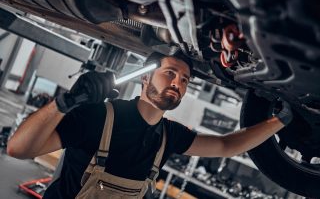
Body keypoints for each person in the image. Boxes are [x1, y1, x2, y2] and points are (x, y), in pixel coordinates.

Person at [7, 51, 292, 199]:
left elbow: (227, 145)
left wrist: (284, 119)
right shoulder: (98, 116)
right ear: (145, 78)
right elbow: (18, 149)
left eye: (184, 80)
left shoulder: (169, 135)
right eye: (170, 73)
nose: (177, 83)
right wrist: (64, 103)